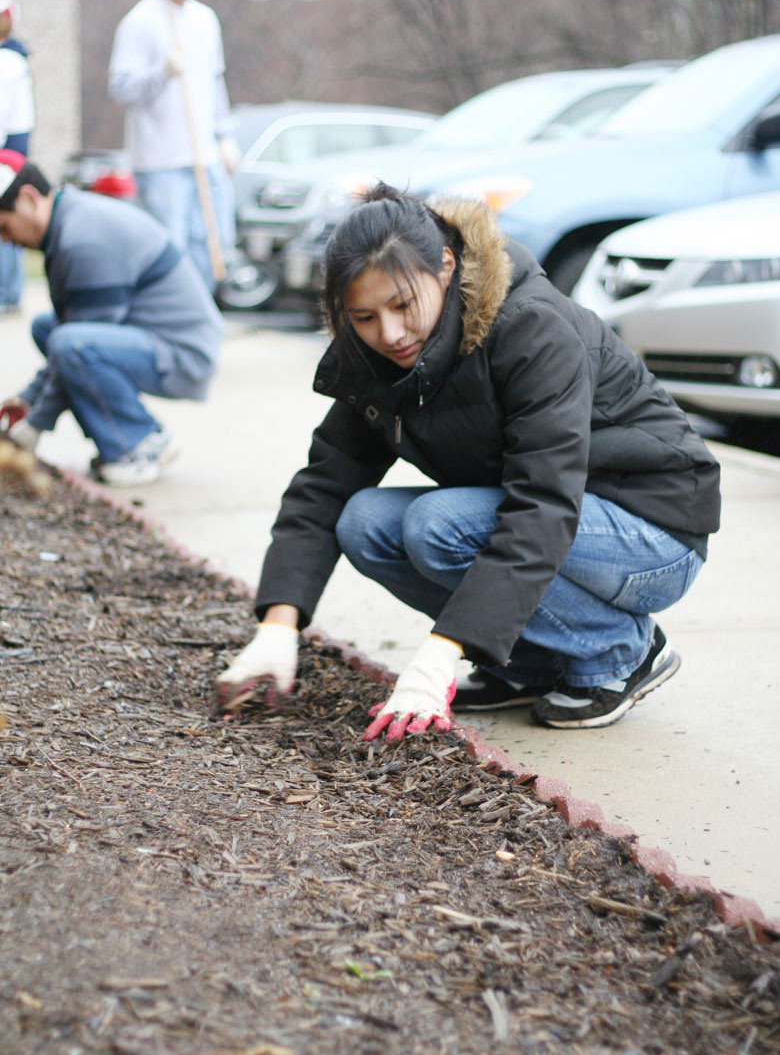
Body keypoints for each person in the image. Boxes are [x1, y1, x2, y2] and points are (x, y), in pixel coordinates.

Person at [216, 184, 720, 740]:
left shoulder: (531, 328)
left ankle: (622, 650)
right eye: (363, 316)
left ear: (446, 266)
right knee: (363, 522)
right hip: (562, 523)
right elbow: (324, 486)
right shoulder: (378, 355)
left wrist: (442, 652)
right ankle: (525, 662)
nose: (389, 333)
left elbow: (543, 505)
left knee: (439, 525)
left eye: (403, 305)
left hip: (652, 529)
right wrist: (278, 625)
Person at [0, 151, 223, 486]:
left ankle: (139, 443)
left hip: (183, 352)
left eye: (3, 226)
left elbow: (74, 347)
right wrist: (27, 401)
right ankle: (126, 437)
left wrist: (34, 426)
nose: (5, 240)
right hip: (147, 337)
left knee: (69, 345)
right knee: (47, 329)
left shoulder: (83, 240)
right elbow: (69, 329)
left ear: (29, 199)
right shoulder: (69, 222)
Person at [108, 0, 237, 293]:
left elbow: (215, 83)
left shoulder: (205, 19)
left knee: (212, 241)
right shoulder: (139, 21)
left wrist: (225, 136)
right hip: (160, 160)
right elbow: (120, 87)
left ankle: (203, 316)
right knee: (170, 248)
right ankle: (173, 318)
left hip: (204, 155)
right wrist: (160, 73)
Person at [0, 0, 35, 314]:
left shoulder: (8, 62)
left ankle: (5, 293)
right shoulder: (15, 60)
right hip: (13, 146)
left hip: (6, 149)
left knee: (5, 219)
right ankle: (8, 292)